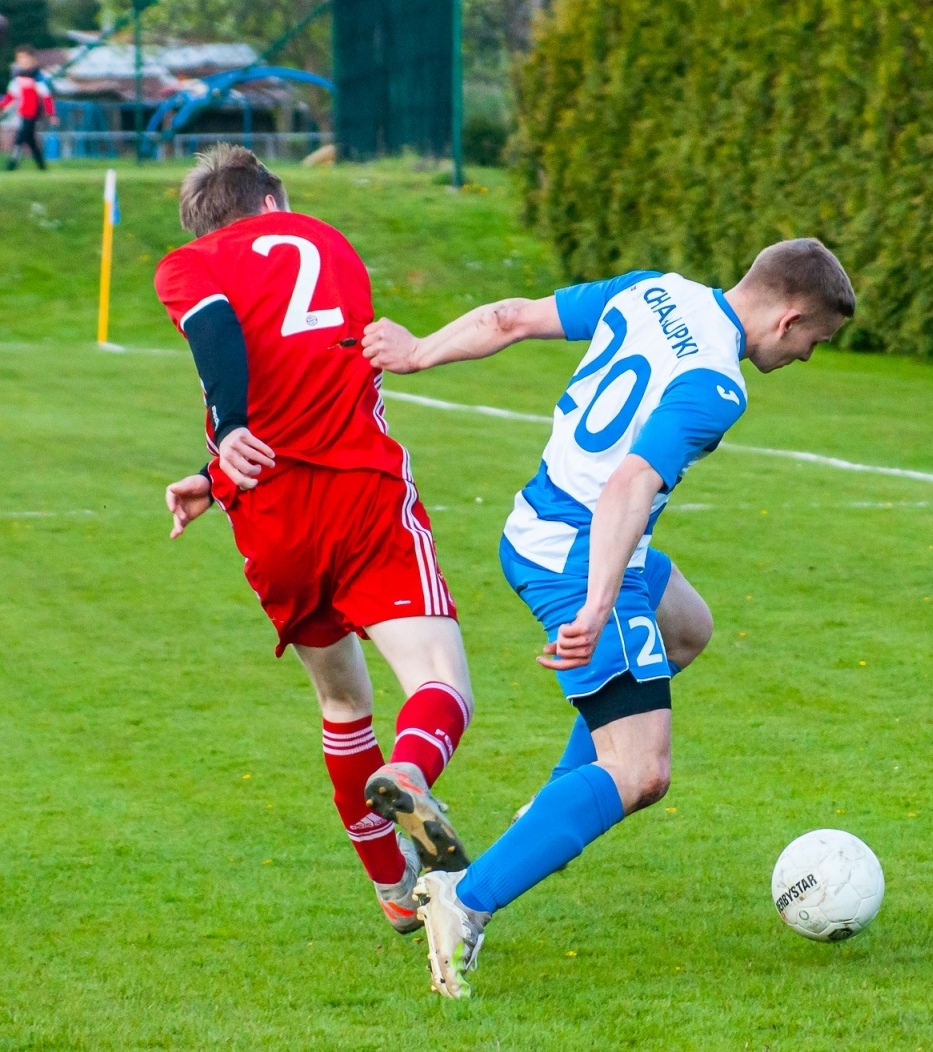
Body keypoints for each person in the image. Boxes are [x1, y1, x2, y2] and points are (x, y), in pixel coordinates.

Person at [358, 238, 855, 998]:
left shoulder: (655, 289)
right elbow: (628, 485)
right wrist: (595, 607)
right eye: (817, 342)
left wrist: (421, 350)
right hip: (581, 554)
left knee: (687, 626)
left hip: (538, 523)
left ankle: (557, 800)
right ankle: (463, 900)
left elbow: (512, 316)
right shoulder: (717, 384)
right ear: (789, 320)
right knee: (641, 770)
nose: (810, 357)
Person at [155, 145, 477, 935]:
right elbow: (270, 349)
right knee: (442, 684)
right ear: (271, 203)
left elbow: (224, 332)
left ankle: (393, 889)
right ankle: (411, 771)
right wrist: (229, 431)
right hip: (362, 496)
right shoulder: (329, 242)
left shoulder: (187, 263)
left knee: (342, 701)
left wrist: (222, 450)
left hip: (269, 511)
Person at [1, 46, 55, 171]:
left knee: (20, 138)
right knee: (31, 141)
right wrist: (2, 106)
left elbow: (47, 97)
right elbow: (11, 96)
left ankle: (12, 164)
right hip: (22, 113)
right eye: (20, 59)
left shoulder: (38, 78)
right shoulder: (17, 78)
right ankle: (42, 166)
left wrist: (51, 114)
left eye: (25, 58)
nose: (23, 62)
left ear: (32, 60)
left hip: (32, 114)